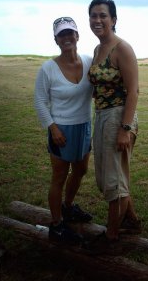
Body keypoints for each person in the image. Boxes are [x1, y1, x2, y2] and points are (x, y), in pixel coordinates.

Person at [87, 0, 141, 254]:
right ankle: (130, 220)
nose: (97, 20)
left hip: (119, 118)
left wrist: (125, 129)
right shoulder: (98, 50)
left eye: (102, 15)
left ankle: (110, 236)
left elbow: (134, 91)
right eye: (93, 15)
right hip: (102, 116)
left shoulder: (122, 48)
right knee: (108, 177)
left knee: (113, 181)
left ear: (114, 20)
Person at [34, 17, 93, 244]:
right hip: (60, 129)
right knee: (59, 176)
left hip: (84, 126)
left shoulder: (89, 62)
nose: (67, 37)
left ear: (77, 36)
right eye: (62, 34)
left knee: (80, 170)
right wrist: (52, 127)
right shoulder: (48, 68)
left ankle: (68, 207)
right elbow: (40, 101)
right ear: (56, 40)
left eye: (71, 33)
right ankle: (57, 226)